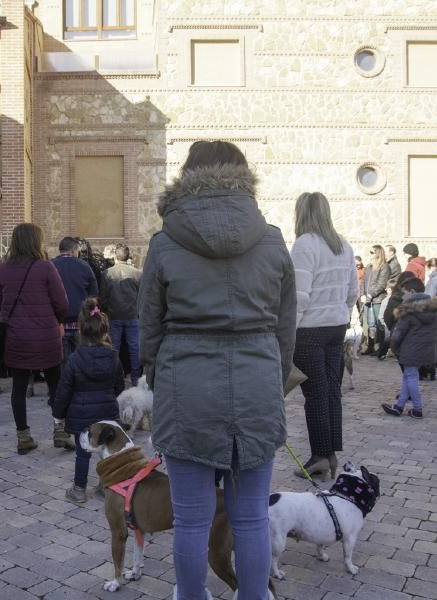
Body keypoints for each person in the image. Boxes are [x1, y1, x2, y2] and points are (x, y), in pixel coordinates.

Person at [140, 141, 295, 600]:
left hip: (186, 385)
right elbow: (286, 328)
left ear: (186, 178)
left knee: (191, 517)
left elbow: (149, 330)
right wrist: (272, 381)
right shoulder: (271, 239)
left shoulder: (165, 242)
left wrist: (162, 383)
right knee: (249, 516)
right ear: (243, 177)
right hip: (256, 384)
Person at [290, 192, 357, 481]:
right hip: (336, 325)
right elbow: (352, 291)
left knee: (315, 394)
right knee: (331, 391)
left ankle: (320, 456)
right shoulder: (344, 244)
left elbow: (299, 296)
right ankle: (330, 453)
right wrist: (342, 315)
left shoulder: (305, 244)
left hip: (309, 329)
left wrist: (289, 332)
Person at [0, 223, 68, 455]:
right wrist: (54, 319)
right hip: (47, 335)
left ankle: (23, 437)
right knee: (55, 384)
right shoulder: (46, 267)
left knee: (18, 388)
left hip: (17, 337)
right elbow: (62, 304)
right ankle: (60, 431)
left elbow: (0, 303)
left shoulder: (3, 270)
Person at [53, 298, 125, 504]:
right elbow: (119, 386)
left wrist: (58, 414)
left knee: (83, 453)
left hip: (81, 416)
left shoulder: (75, 359)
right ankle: (105, 485)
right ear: (104, 331)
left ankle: (79, 489)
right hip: (107, 414)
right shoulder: (113, 357)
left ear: (82, 331)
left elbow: (64, 390)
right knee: (105, 451)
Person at [381, 278, 437, 419]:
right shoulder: (434, 310)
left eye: (405, 293)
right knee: (408, 377)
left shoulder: (408, 311)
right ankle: (398, 406)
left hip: (410, 349)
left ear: (412, 292)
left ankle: (417, 408)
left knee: (411, 377)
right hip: (427, 349)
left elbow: (398, 334)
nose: (403, 296)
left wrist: (394, 347)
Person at [100, 244, 142, 386]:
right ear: (128, 256)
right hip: (132, 315)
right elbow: (142, 296)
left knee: (114, 349)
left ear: (115, 257)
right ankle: (136, 380)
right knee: (134, 348)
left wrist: (105, 311)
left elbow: (103, 298)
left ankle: (115, 380)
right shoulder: (137, 273)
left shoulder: (107, 274)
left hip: (114, 316)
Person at [52, 236, 99, 362]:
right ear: (73, 250)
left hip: (58, 324)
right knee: (82, 360)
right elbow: (94, 295)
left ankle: (64, 381)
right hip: (79, 322)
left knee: (62, 362)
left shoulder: (50, 266)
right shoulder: (84, 266)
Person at [360, 245, 389, 357]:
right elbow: (363, 281)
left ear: (378, 253)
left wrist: (371, 294)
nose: (370, 254)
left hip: (377, 299)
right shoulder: (369, 267)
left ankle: (381, 348)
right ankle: (370, 346)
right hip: (367, 299)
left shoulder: (384, 267)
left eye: (372, 252)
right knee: (369, 324)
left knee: (379, 323)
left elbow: (381, 283)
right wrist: (362, 294)